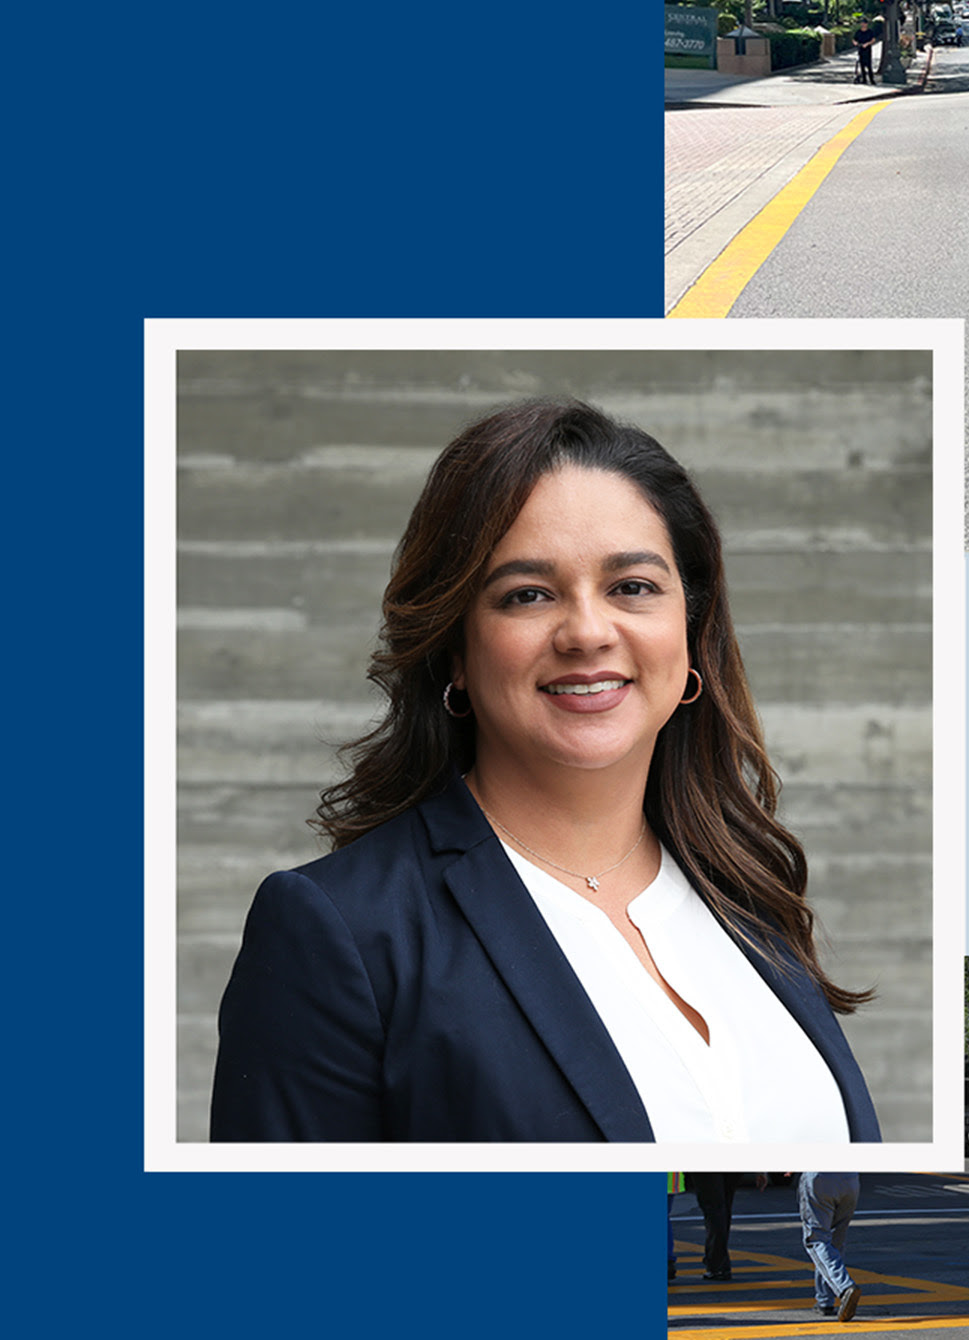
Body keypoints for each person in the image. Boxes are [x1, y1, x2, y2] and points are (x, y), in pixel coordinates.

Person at [210, 399, 880, 1143]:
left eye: (632, 586)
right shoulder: (341, 932)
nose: (588, 632)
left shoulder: (749, 895)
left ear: (690, 634)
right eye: (527, 594)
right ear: (456, 651)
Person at [800, 1171, 862, 1319]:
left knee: (816, 1240)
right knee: (835, 1242)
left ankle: (844, 1287)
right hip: (850, 1178)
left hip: (820, 1176)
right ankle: (825, 1301)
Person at [854, 16, 877, 85]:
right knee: (861, 65)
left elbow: (873, 39)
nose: (863, 24)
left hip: (867, 50)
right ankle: (864, 79)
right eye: (862, 23)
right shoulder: (858, 32)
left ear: (867, 24)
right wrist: (856, 43)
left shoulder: (870, 32)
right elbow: (854, 39)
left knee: (869, 65)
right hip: (860, 49)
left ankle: (871, 79)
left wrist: (867, 44)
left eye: (864, 23)